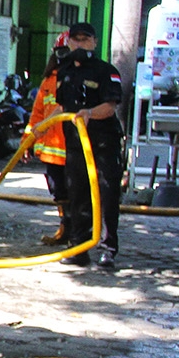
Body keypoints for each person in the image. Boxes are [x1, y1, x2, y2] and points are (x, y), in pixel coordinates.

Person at [54, 22, 124, 268]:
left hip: (103, 144)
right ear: (69, 41)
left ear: (94, 42)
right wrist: (39, 128)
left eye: (85, 39)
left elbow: (110, 106)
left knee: (106, 195)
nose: (80, 44)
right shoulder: (64, 71)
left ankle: (108, 248)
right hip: (75, 146)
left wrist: (89, 113)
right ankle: (79, 247)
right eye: (76, 39)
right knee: (77, 195)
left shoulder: (106, 71)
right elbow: (61, 107)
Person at [23, 33, 71, 244]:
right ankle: (65, 230)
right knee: (58, 193)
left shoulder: (80, 79)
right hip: (52, 153)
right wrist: (28, 141)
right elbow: (37, 114)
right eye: (61, 53)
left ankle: (77, 235)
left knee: (78, 196)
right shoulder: (48, 81)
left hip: (75, 152)